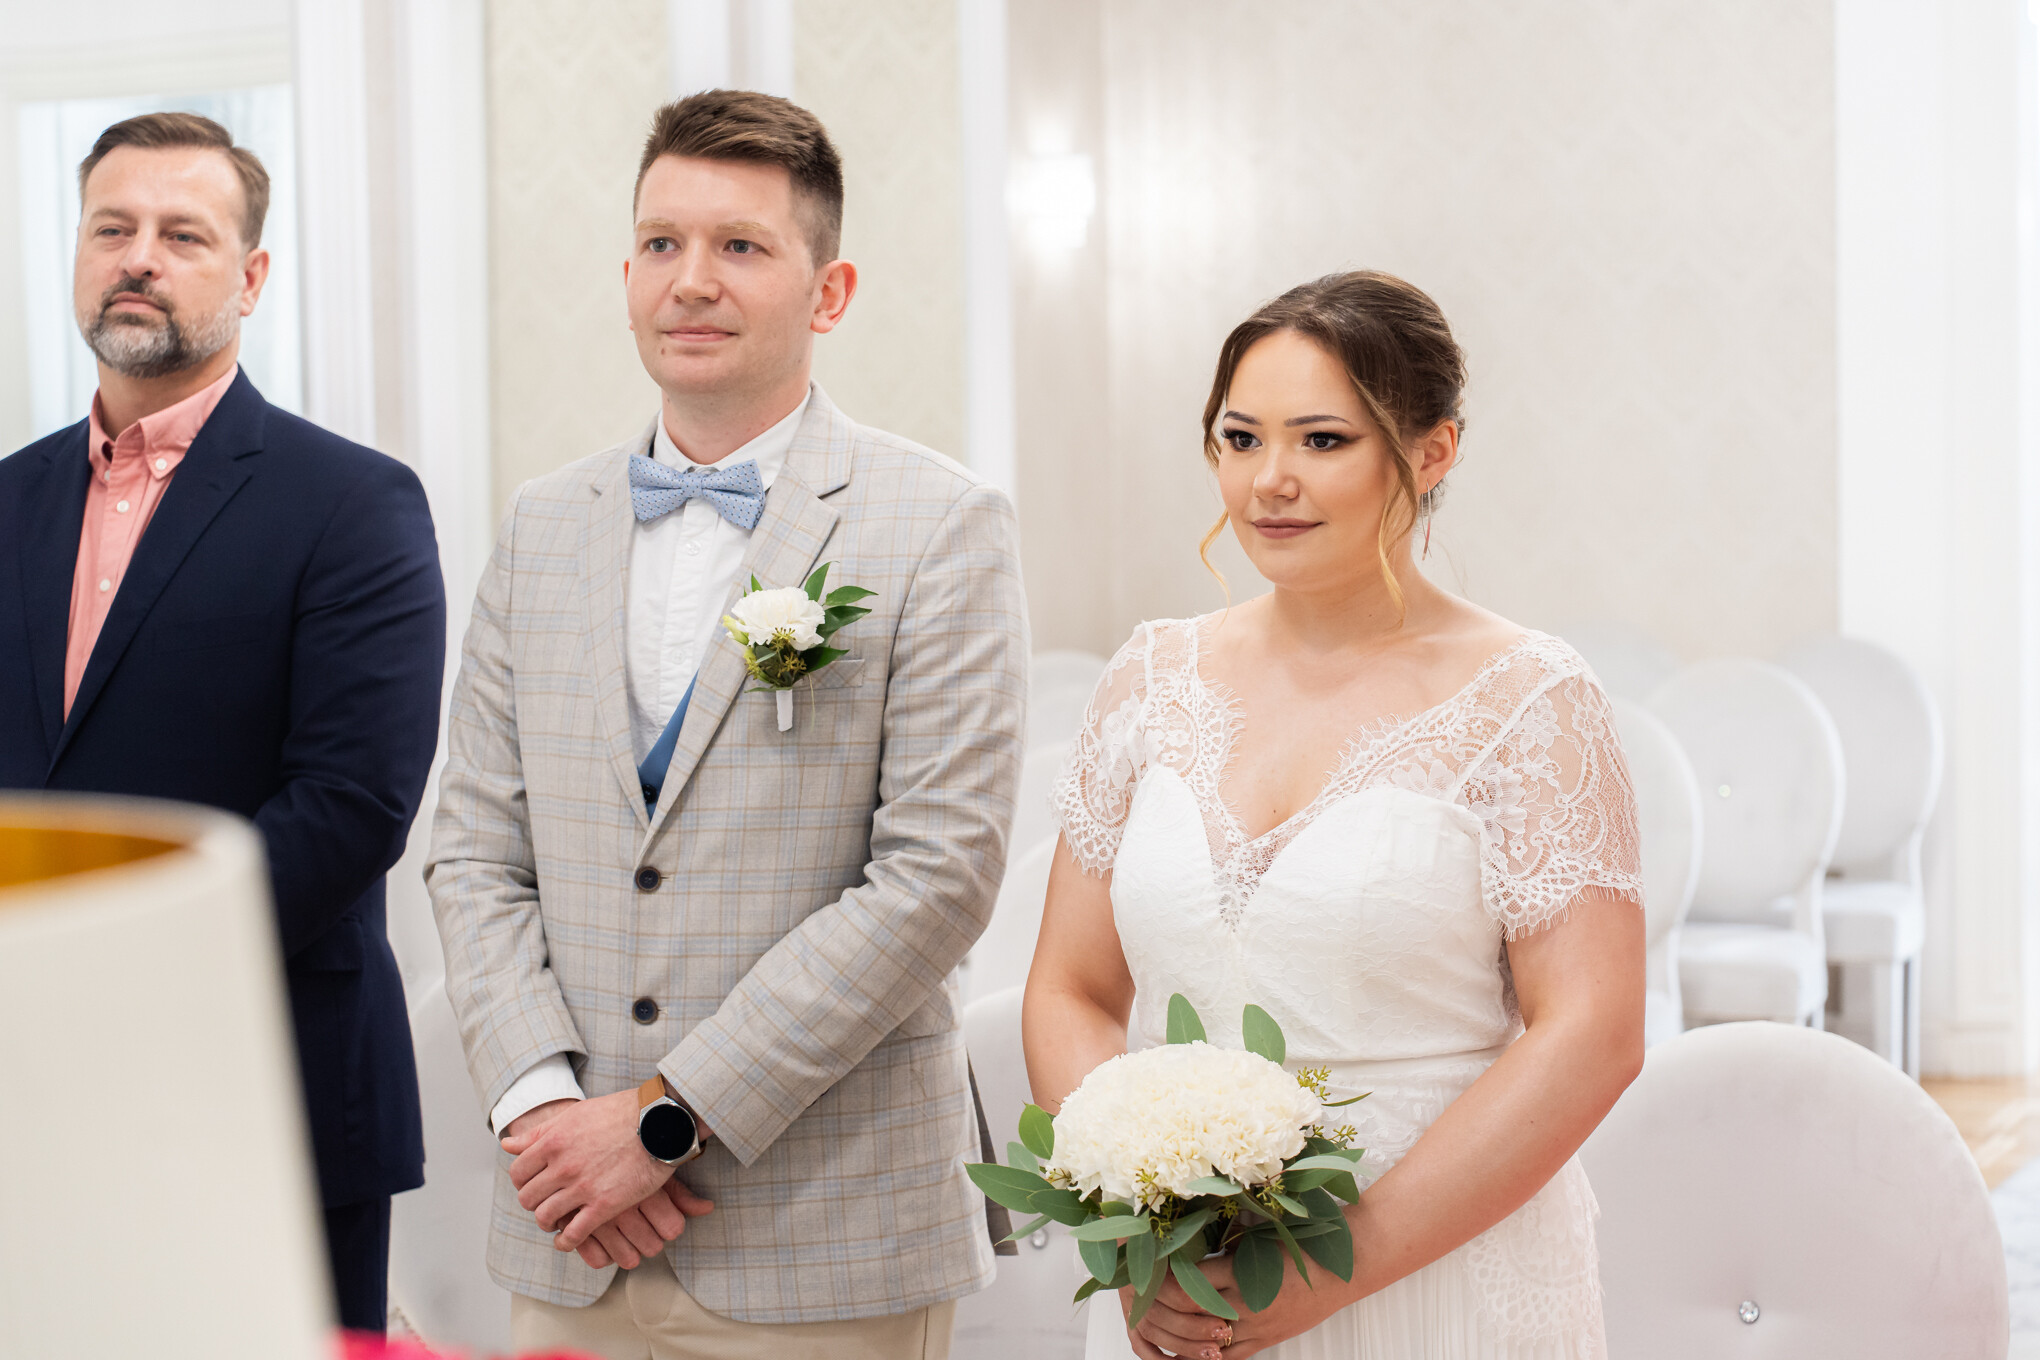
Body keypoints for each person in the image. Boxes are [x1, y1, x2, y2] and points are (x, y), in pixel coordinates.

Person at [427, 89, 1027, 1360]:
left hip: (827, 1235)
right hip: (569, 1227)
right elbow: (474, 846)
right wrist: (544, 1109)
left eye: (741, 246)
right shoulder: (540, 524)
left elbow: (936, 878)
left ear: (829, 291)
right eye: (662, 242)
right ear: (627, 277)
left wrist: (662, 1119)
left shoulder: (943, 522)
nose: (691, 279)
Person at [1024, 271, 1646, 1359]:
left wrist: (1324, 1272)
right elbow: (1070, 986)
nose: (1269, 481)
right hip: (1180, 1288)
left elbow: (1592, 1034)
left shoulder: (1530, 700)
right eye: (1240, 438)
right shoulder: (1149, 679)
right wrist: (1133, 1232)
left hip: (1436, 1267)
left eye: (1322, 441)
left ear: (1432, 453)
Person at [0, 113, 446, 1332]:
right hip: (22, 1090)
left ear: (250, 277)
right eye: (112, 228)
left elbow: (351, 806)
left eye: (182, 234)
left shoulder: (353, 501)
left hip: (264, 1081)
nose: (138, 256)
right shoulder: (7, 499)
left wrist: (100, 964)